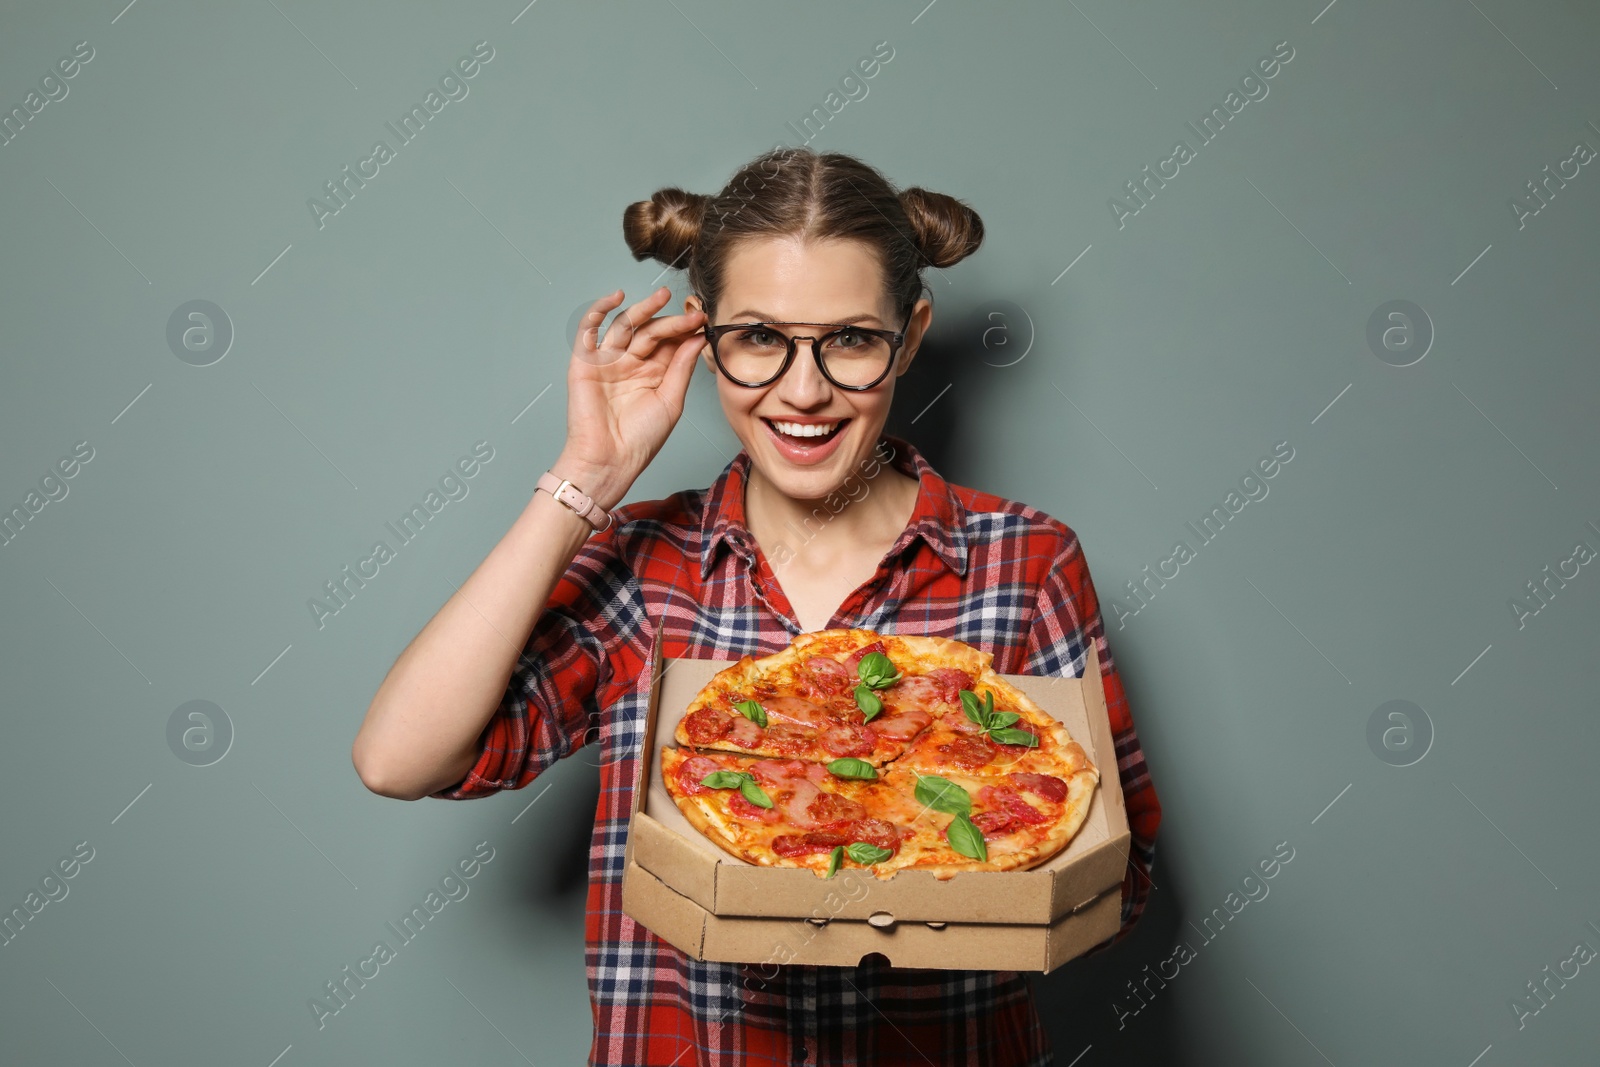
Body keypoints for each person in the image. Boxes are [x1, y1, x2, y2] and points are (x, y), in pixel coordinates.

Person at [351, 146, 1161, 1066]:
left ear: (912, 331)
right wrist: (588, 477)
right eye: (760, 337)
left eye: (852, 339)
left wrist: (944, 890)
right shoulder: (648, 565)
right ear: (706, 338)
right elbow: (397, 757)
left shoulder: (1027, 561)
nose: (804, 388)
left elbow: (1117, 877)